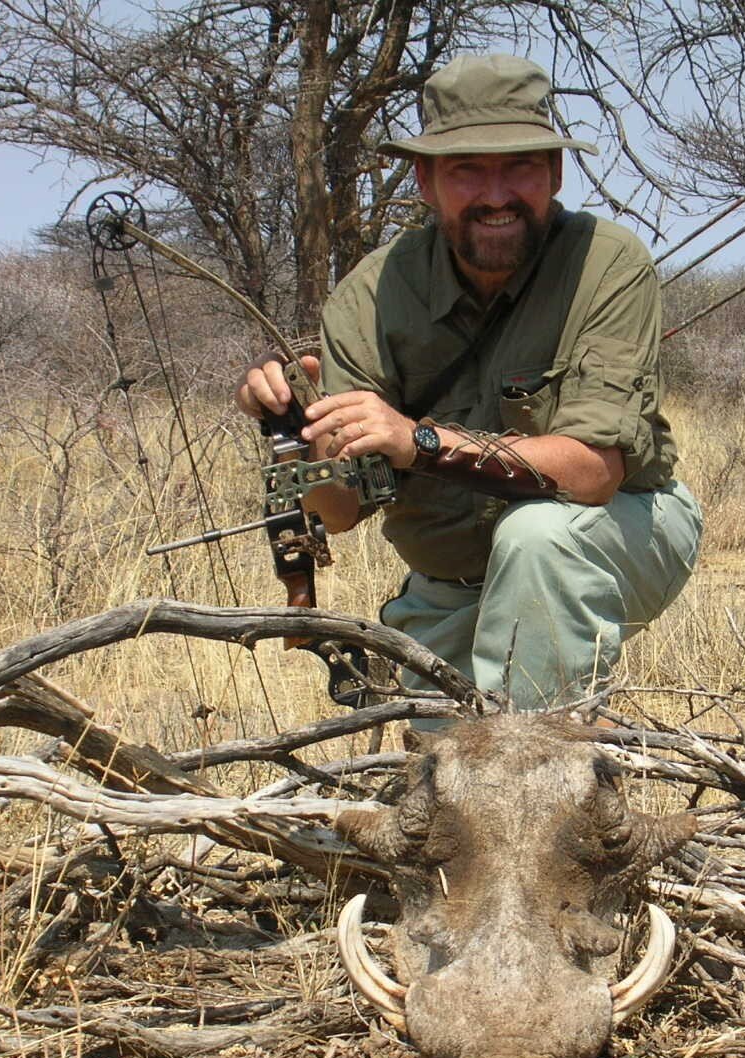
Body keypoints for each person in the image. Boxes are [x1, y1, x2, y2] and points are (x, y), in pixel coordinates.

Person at [236, 54, 701, 713]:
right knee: (442, 788)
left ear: (555, 172)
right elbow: (338, 514)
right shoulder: (367, 296)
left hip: (622, 531)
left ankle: (540, 767)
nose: (496, 194)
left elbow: (594, 475)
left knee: (538, 544)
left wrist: (416, 440)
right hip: (449, 584)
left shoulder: (608, 261)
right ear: (425, 180)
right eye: (466, 170)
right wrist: (297, 428)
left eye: (519, 166)